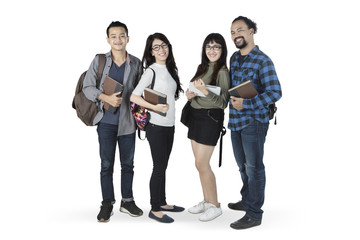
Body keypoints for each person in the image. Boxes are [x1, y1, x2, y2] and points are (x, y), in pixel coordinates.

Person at [82, 21, 143, 222]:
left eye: (122, 35)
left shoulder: (135, 63)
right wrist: (105, 97)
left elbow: (140, 92)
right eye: (114, 36)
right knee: (106, 165)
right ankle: (107, 203)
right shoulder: (99, 60)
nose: (118, 39)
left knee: (128, 164)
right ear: (108, 39)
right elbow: (87, 87)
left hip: (128, 123)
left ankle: (127, 201)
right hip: (105, 122)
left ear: (128, 38)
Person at [227, 16, 282, 229]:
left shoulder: (262, 60)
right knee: (242, 166)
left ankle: (254, 213)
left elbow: (275, 92)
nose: (235, 35)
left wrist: (247, 104)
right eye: (232, 32)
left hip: (254, 122)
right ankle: (248, 199)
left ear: (251, 31)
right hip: (234, 121)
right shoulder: (233, 58)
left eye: (239, 30)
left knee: (254, 167)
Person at [130, 33, 184, 223]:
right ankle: (154, 208)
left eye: (164, 45)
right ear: (151, 52)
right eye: (156, 47)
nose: (161, 50)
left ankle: (162, 202)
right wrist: (154, 107)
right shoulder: (151, 71)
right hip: (156, 125)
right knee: (159, 166)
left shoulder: (168, 69)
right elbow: (134, 96)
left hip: (169, 125)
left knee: (163, 165)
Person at [185, 33, 230, 221]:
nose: (212, 50)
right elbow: (196, 91)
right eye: (209, 46)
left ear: (222, 50)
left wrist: (204, 92)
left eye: (216, 47)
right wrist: (191, 94)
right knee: (199, 164)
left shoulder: (222, 71)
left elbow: (223, 102)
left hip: (210, 120)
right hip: (195, 117)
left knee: (202, 163)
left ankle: (215, 205)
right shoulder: (202, 67)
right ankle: (206, 200)